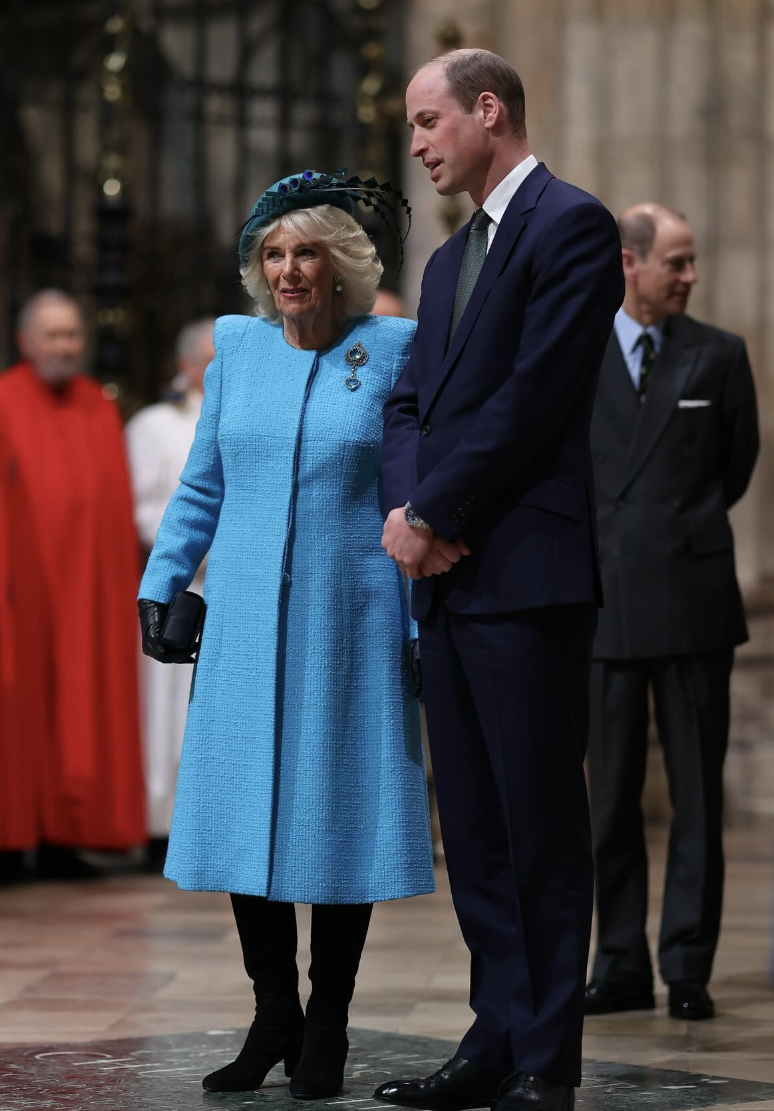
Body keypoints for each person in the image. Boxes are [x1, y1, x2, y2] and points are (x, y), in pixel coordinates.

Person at [137, 171, 434, 1098]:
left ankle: (330, 1023)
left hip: (352, 617)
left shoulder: (394, 349)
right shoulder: (237, 351)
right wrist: (162, 586)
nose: (289, 270)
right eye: (273, 253)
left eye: (306, 251)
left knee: (335, 813)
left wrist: (421, 623)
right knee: (242, 812)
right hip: (245, 617)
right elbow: (202, 485)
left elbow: (413, 497)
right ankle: (274, 1013)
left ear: (340, 263)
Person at [377, 50, 624, 1111]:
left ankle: (546, 1059)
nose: (420, 144)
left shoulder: (572, 225)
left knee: (538, 824)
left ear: (490, 111)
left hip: (523, 571)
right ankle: (492, 1034)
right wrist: (405, 512)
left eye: (430, 122)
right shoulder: (443, 265)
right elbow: (407, 409)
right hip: (446, 573)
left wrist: (437, 512)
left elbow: (532, 399)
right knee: (472, 824)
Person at [584, 204, 759, 1022]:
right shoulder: (578, 351)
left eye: (692, 263)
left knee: (695, 791)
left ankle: (686, 964)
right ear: (630, 263)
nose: (690, 277)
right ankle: (617, 964)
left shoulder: (719, 355)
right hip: (603, 600)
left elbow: (736, 465)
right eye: (677, 262)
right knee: (609, 795)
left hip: (693, 599)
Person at [0, 291, 145, 878]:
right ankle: (13, 841)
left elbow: (110, 508)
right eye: (52, 335)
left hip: (83, 592)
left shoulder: (97, 408)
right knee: (18, 711)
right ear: (24, 341)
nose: (64, 347)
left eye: (72, 336)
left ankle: (65, 834)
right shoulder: (5, 401)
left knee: (78, 711)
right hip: (22, 588)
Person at [126, 317, 215, 867]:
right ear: (185, 365)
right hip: (181, 587)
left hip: (230, 587)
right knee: (166, 716)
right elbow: (140, 505)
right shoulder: (154, 425)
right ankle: (162, 826)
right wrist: (194, 546)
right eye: (207, 359)